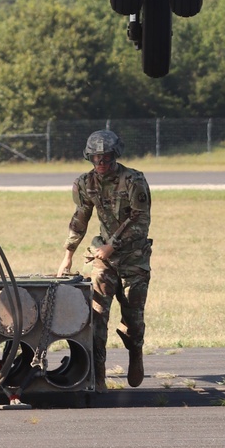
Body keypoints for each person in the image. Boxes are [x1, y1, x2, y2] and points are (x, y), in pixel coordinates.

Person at [57, 129, 151, 391]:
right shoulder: (86, 183)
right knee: (97, 316)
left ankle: (135, 352)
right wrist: (68, 255)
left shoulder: (133, 180)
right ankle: (98, 377)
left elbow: (140, 220)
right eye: (96, 159)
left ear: (115, 156)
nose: (101, 164)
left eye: (106, 159)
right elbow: (80, 219)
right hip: (104, 260)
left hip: (134, 258)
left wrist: (114, 245)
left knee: (133, 317)